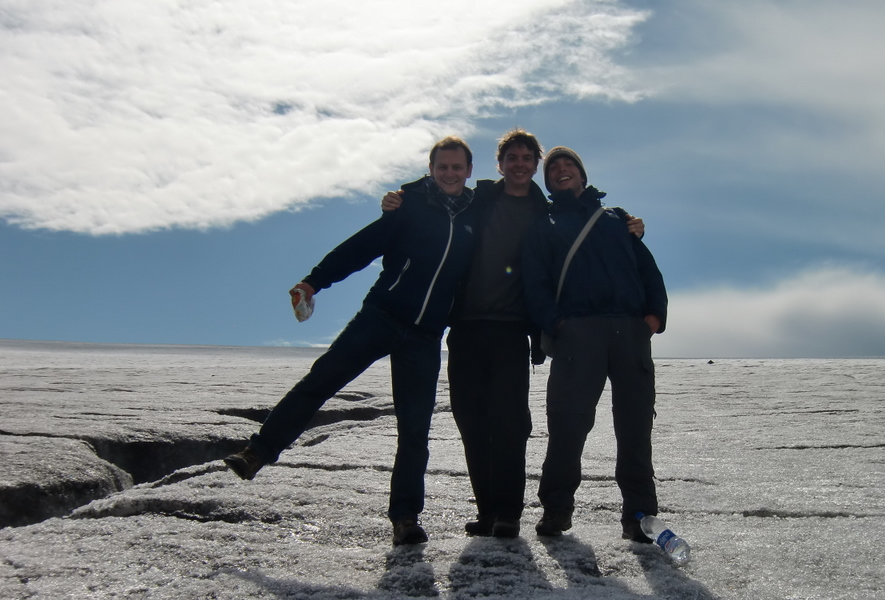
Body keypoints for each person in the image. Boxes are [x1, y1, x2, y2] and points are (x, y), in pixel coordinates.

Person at [382, 130, 645, 539]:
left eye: (527, 158)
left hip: (511, 331)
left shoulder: (547, 212)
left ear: (535, 166)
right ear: (500, 164)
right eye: (512, 158)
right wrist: (404, 195)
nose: (519, 164)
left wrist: (631, 228)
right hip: (466, 326)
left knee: (510, 424)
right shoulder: (479, 199)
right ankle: (488, 512)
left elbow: (577, 242)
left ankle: (508, 513)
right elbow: (443, 188)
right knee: (471, 422)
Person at [224, 136, 477, 546]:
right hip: (381, 316)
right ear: (431, 170)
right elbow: (360, 248)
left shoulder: (476, 215)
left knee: (415, 428)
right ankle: (258, 452)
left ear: (468, 170)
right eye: (442, 167)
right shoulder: (409, 207)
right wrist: (315, 281)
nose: (450, 173)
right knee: (320, 381)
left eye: (457, 167)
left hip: (425, 335)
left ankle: (405, 518)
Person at [521, 146, 668, 542]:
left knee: (635, 427)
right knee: (568, 425)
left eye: (568, 164)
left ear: (583, 175)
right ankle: (556, 509)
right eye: (553, 168)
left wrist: (653, 318)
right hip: (578, 332)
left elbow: (648, 270)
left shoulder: (615, 218)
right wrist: (557, 325)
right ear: (548, 182)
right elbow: (534, 282)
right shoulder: (544, 223)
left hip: (630, 331)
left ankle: (639, 515)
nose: (561, 170)